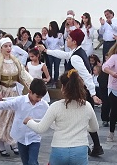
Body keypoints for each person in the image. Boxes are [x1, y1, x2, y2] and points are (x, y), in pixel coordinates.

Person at [41, 28, 104, 156]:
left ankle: (92, 146)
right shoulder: (77, 52)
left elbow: (86, 76)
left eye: (69, 38)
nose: (67, 39)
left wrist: (93, 94)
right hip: (82, 91)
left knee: (81, 119)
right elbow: (64, 55)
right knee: (84, 119)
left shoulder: (76, 57)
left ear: (74, 41)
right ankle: (96, 146)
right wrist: (47, 51)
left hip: (81, 92)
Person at [0, 37, 34, 157]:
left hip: (13, 93)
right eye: (6, 46)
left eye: (10, 46)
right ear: (1, 48)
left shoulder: (15, 60)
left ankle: (13, 143)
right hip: (2, 93)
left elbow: (23, 74)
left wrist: (32, 85)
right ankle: (1, 145)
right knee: (0, 119)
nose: (8, 48)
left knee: (13, 119)